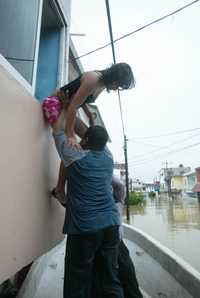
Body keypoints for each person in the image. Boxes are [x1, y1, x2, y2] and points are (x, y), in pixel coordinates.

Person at [52, 108, 124, 298]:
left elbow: (56, 131)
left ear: (85, 141)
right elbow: (92, 135)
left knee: (78, 281)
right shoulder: (109, 158)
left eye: (83, 139)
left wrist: (62, 107)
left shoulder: (73, 156)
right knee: (110, 278)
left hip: (84, 229)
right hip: (111, 226)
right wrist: (86, 115)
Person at [42, 62, 135, 202]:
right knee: (71, 147)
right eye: (118, 85)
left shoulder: (103, 84)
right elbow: (73, 106)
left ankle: (60, 188)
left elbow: (81, 98)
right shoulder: (93, 79)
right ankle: (60, 190)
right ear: (114, 78)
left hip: (67, 107)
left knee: (89, 141)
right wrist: (70, 135)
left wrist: (89, 114)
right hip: (56, 103)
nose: (117, 89)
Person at [93, 175, 143, 298]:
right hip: (115, 238)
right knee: (124, 275)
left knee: (104, 278)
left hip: (99, 239)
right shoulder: (114, 199)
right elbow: (120, 186)